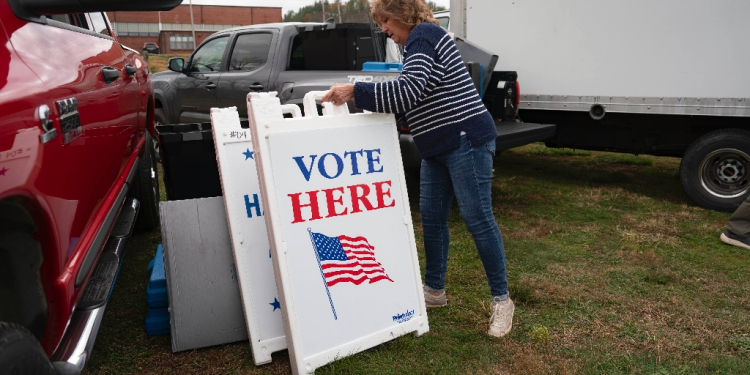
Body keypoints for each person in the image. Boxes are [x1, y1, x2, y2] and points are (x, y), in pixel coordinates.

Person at [321, 0, 514, 337]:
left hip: (465, 138)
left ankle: (502, 300)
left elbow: (408, 92)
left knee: (478, 217)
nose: (383, 29)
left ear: (402, 14)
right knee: (433, 218)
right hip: (438, 146)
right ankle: (435, 292)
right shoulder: (417, 45)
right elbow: (415, 95)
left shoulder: (423, 36)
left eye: (386, 21)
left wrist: (355, 91)